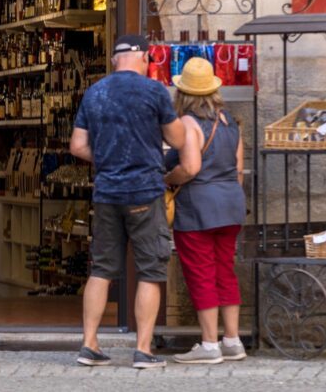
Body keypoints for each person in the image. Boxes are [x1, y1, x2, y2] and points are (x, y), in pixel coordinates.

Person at [70, 34, 185, 369]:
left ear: (114, 60)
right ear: (146, 59)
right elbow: (177, 139)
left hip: (107, 193)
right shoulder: (153, 91)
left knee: (102, 269)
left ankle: (89, 344)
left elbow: (77, 146)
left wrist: (107, 159)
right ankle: (144, 349)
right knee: (150, 271)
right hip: (145, 192)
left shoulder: (95, 92)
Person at [163, 57, 247, 364]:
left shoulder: (188, 123)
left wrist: (168, 180)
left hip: (198, 207)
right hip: (231, 204)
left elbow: (190, 167)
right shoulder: (230, 122)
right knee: (225, 270)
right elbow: (238, 170)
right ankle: (232, 341)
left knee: (201, 273)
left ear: (183, 93)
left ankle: (210, 345)